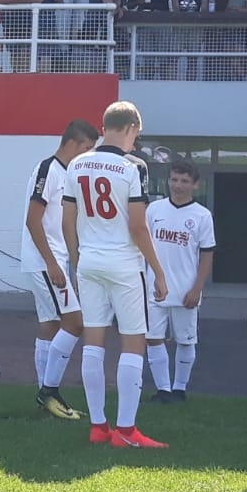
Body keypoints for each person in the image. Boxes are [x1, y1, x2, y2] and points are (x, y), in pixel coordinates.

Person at [62, 102, 169, 448]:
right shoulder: (133, 166)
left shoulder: (77, 164)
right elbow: (138, 226)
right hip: (124, 263)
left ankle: (98, 426)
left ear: (104, 126)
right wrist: (159, 271)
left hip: (89, 261)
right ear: (131, 128)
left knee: (93, 341)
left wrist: (77, 261)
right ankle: (126, 430)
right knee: (133, 343)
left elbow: (67, 220)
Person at [22, 118, 100, 421]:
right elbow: (33, 219)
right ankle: (49, 391)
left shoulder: (66, 173)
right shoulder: (49, 170)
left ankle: (45, 397)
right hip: (45, 261)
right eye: (87, 148)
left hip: (51, 260)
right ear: (72, 144)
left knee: (50, 324)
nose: (88, 154)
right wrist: (52, 263)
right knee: (75, 322)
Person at [143, 161, 215, 403]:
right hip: (154, 288)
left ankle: (180, 389)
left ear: (195, 184)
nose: (178, 185)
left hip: (186, 289)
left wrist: (197, 288)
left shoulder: (202, 216)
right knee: (153, 337)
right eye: (174, 179)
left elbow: (207, 255)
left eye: (184, 181)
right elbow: (142, 247)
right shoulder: (154, 210)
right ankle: (163, 389)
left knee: (185, 340)